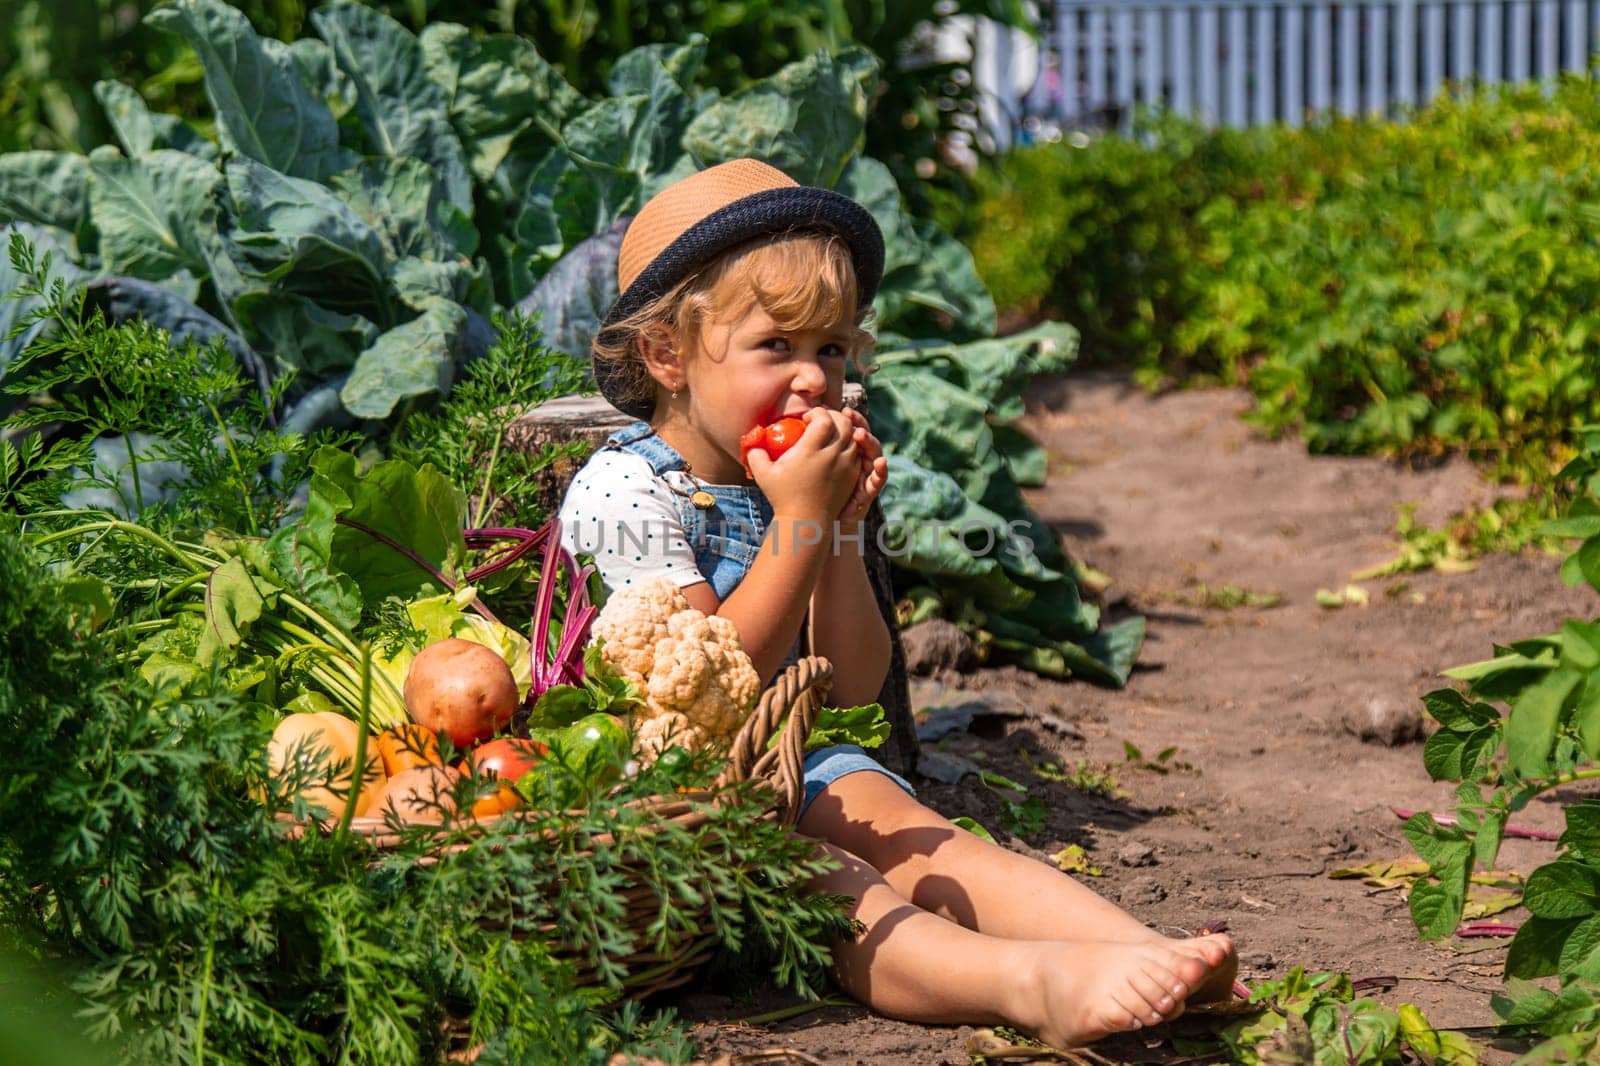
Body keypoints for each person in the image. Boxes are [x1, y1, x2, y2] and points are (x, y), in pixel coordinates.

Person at [558, 158, 1237, 1047]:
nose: (813, 380)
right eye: (778, 347)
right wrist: (801, 519)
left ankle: (1144, 949)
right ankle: (1030, 985)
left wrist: (836, 528)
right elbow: (706, 693)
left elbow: (847, 690)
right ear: (667, 356)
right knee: (834, 882)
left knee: (924, 838)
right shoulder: (624, 492)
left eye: (831, 349)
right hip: (686, 793)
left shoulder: (789, 476)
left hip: (801, 758)